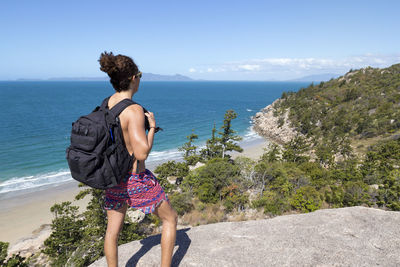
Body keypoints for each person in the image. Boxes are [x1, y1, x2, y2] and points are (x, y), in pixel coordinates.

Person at [98, 51, 178, 267]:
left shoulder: (107, 104)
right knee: (170, 218)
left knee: (112, 232)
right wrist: (151, 127)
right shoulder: (133, 110)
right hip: (135, 179)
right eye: (140, 74)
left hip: (113, 177)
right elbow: (141, 153)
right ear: (134, 78)